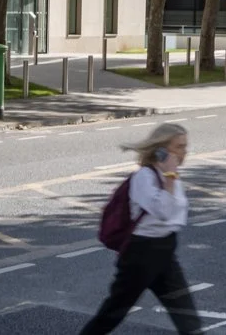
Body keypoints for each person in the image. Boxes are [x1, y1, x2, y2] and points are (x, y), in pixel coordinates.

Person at [77, 123, 203, 335]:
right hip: (141, 255)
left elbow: (175, 215)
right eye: (179, 147)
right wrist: (170, 177)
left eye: (185, 146)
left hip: (164, 250)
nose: (184, 152)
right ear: (162, 149)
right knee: (112, 313)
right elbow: (164, 211)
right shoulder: (144, 177)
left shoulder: (170, 176)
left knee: (187, 317)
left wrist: (171, 176)